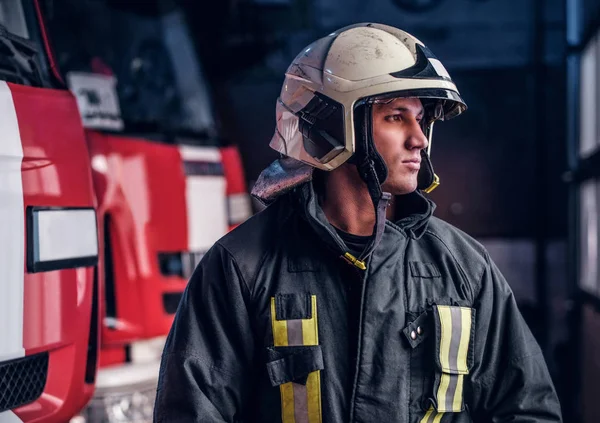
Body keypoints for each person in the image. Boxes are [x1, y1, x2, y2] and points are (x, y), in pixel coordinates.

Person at [154, 23, 562, 422]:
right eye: (397, 117)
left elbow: (527, 409)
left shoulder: (465, 268)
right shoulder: (241, 267)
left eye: (421, 119)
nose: (419, 138)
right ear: (336, 124)